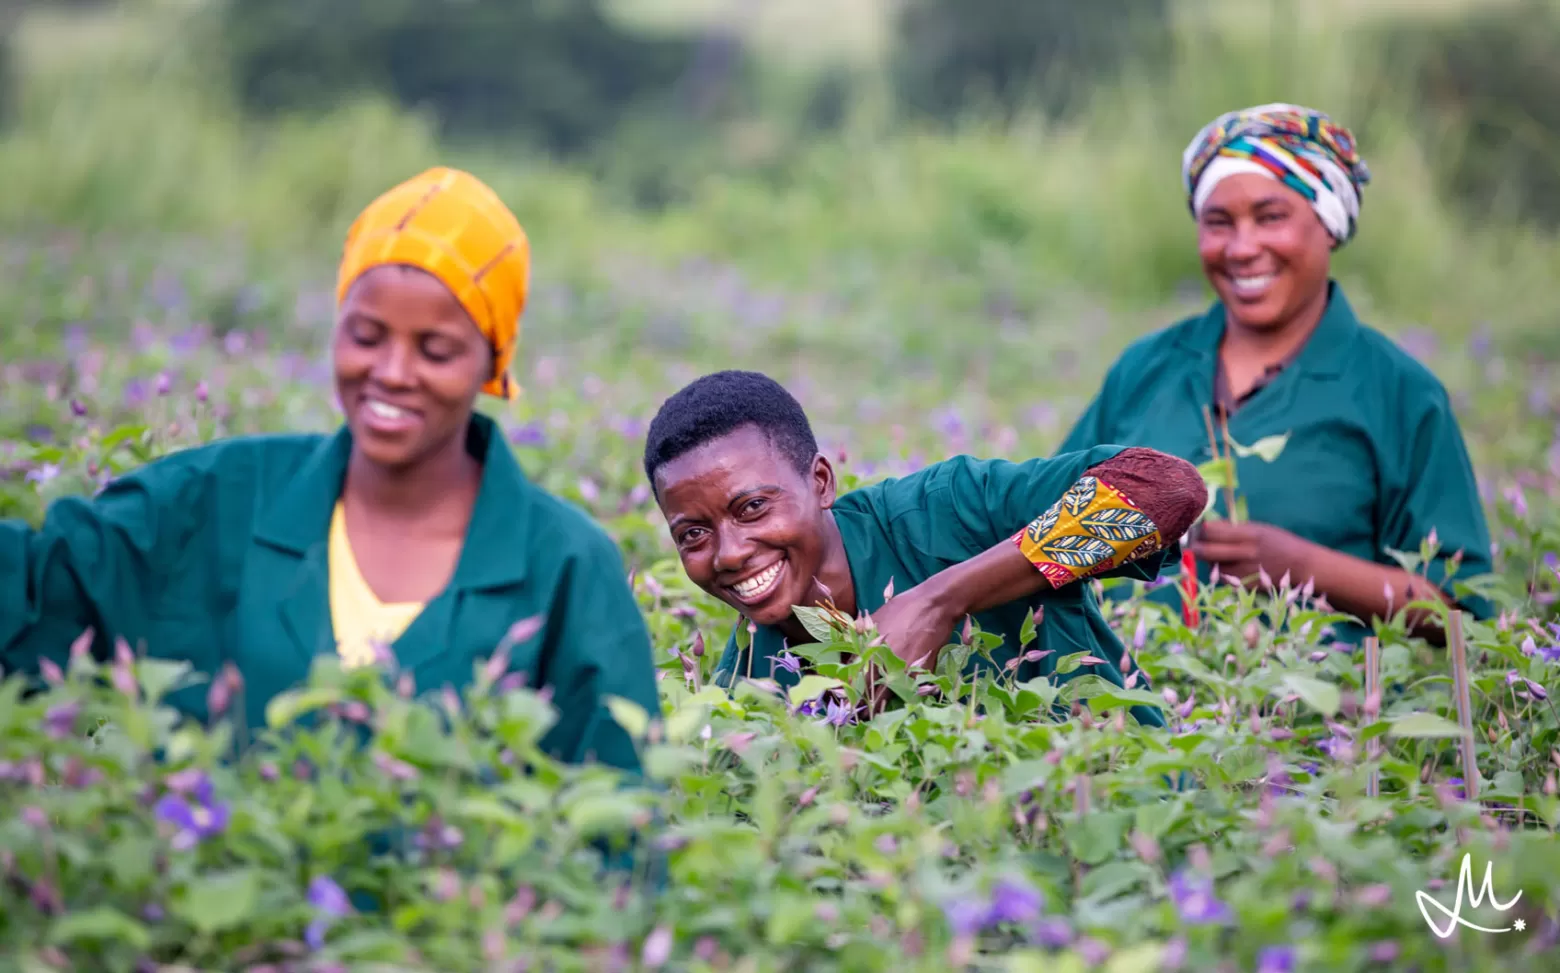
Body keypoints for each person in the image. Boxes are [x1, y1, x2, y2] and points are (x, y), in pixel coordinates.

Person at [0, 166, 660, 774]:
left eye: (435, 349)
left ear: (490, 362)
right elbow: (34, 590)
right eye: (367, 336)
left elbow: (618, 826)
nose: (393, 373)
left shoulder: (568, 565)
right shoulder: (215, 500)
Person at [1056, 104, 1494, 644]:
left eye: (1271, 217)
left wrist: (1301, 567)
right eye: (1219, 222)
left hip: (1310, 719)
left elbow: (1461, 613)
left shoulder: (1400, 393)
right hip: (1119, 711)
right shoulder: (1148, 367)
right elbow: (1044, 530)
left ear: (1328, 224)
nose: (1242, 249)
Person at [641, 370, 1207, 728]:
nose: (730, 554)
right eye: (694, 534)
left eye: (752, 508)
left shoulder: (945, 510)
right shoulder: (746, 686)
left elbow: (1166, 489)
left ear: (819, 483)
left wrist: (940, 601)